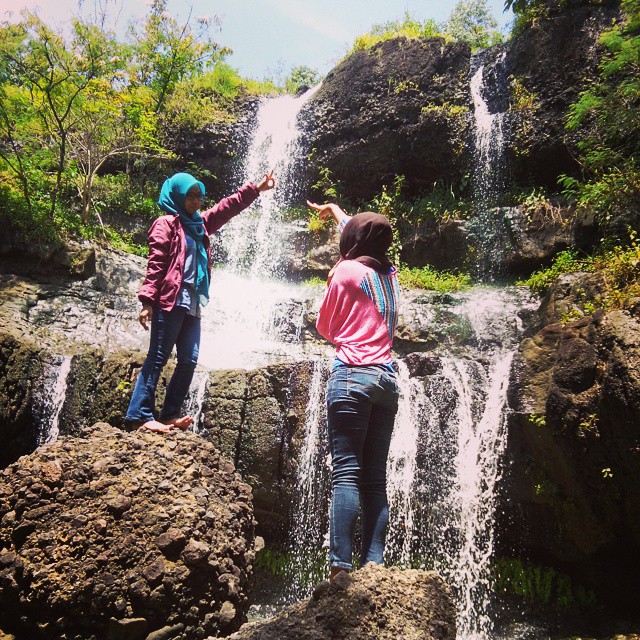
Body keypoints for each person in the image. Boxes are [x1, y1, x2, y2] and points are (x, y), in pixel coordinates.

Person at [125, 170, 275, 433]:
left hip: (192, 303)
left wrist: (256, 189)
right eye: (190, 196)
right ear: (177, 196)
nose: (196, 201)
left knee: (189, 359)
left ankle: (169, 414)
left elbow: (226, 208)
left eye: (200, 196)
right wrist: (147, 301)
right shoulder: (166, 224)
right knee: (158, 357)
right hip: (169, 300)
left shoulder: (199, 225)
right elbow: (157, 263)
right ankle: (140, 416)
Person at [308, 200, 401, 581]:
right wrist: (336, 211)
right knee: (374, 479)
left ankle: (339, 570)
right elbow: (365, 234)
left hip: (352, 377)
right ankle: (374, 565)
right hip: (387, 382)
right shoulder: (390, 273)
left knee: (345, 475)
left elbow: (325, 327)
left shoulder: (345, 271)